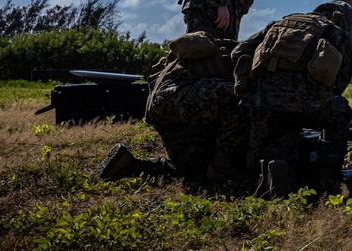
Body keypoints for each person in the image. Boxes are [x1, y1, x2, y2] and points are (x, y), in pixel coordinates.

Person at [231, 1, 352, 198]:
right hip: (307, 103)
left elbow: (238, 51)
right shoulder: (335, 32)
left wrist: (250, 85)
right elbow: (341, 82)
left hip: (261, 100)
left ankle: (263, 180)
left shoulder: (278, 24)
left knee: (273, 137)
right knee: (342, 115)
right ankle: (325, 177)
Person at [93, 32, 249, 185]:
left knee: (192, 166)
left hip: (166, 96)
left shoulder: (254, 46)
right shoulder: (260, 49)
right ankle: (223, 170)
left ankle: (130, 165)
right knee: (241, 98)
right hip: (178, 94)